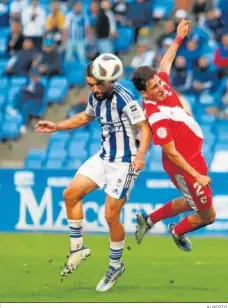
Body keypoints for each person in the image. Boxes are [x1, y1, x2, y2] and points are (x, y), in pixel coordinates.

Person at [34, 54, 151, 292]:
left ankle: (115, 265)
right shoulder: (94, 98)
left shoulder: (125, 99)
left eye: (98, 84)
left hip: (125, 162)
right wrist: (57, 126)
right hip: (103, 157)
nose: (95, 89)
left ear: (109, 80)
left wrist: (140, 157)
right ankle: (77, 249)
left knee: (110, 216)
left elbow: (145, 129)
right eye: (90, 85)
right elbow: (84, 117)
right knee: (70, 194)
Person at [131, 20, 216, 252]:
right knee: (208, 215)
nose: (161, 87)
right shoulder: (155, 114)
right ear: (143, 92)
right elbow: (169, 151)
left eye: (159, 82)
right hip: (183, 164)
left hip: (193, 157)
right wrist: (196, 175)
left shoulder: (162, 85)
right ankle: (177, 231)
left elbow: (165, 63)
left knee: (194, 201)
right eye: (154, 86)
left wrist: (178, 37)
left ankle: (148, 220)